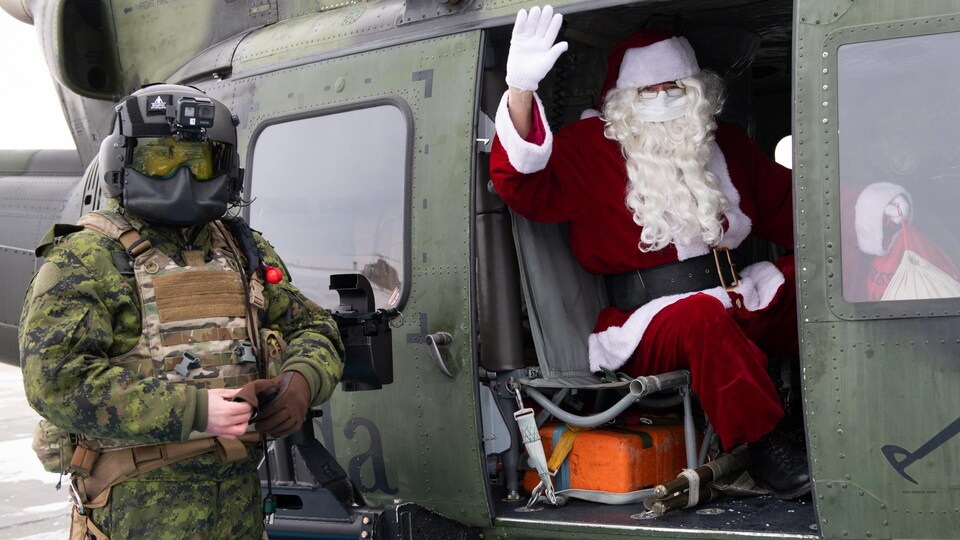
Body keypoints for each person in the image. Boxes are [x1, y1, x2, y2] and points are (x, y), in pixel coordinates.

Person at [490, 6, 809, 499]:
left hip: (737, 292)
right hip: (649, 320)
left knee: (819, 277)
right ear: (623, 99)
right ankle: (764, 447)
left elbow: (791, 205)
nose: (661, 100)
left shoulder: (722, 144)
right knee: (703, 317)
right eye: (647, 90)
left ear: (695, 92)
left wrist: (872, 216)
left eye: (673, 88)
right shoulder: (592, 148)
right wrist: (520, 92)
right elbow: (524, 187)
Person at [19, 84, 345, 539]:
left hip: (238, 514)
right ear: (124, 162)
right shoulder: (85, 260)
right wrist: (193, 410)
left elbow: (316, 326)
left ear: (225, 169)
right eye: (162, 158)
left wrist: (301, 381)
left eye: (200, 160)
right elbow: (55, 381)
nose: (183, 176)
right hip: (134, 514)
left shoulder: (242, 251)